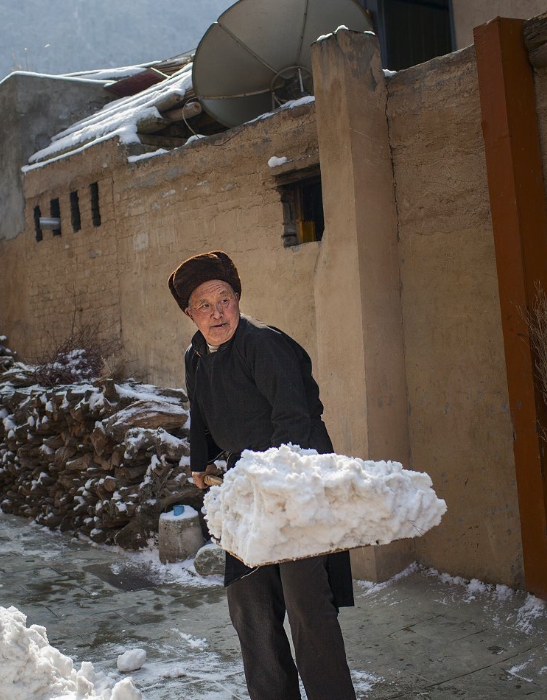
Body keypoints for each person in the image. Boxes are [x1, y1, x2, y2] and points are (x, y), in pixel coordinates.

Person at [168, 250, 356, 700]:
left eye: (225, 299)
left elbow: (296, 419)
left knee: (307, 607)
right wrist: (200, 461)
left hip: (295, 482)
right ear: (190, 314)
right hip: (246, 488)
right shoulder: (197, 355)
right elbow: (203, 412)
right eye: (205, 305)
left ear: (238, 299)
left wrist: (275, 484)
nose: (217, 312)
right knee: (250, 606)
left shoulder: (262, 344)